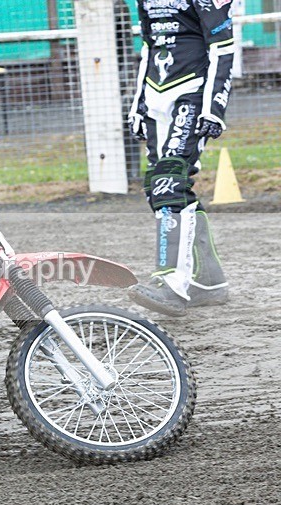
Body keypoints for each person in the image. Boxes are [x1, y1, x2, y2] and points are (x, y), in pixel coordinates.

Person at [126, 0, 233, 316]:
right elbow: (148, 45)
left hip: (192, 93)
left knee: (170, 183)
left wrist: (214, 108)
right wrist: (138, 104)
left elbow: (222, 46)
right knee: (157, 188)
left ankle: (171, 283)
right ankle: (208, 280)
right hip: (155, 95)